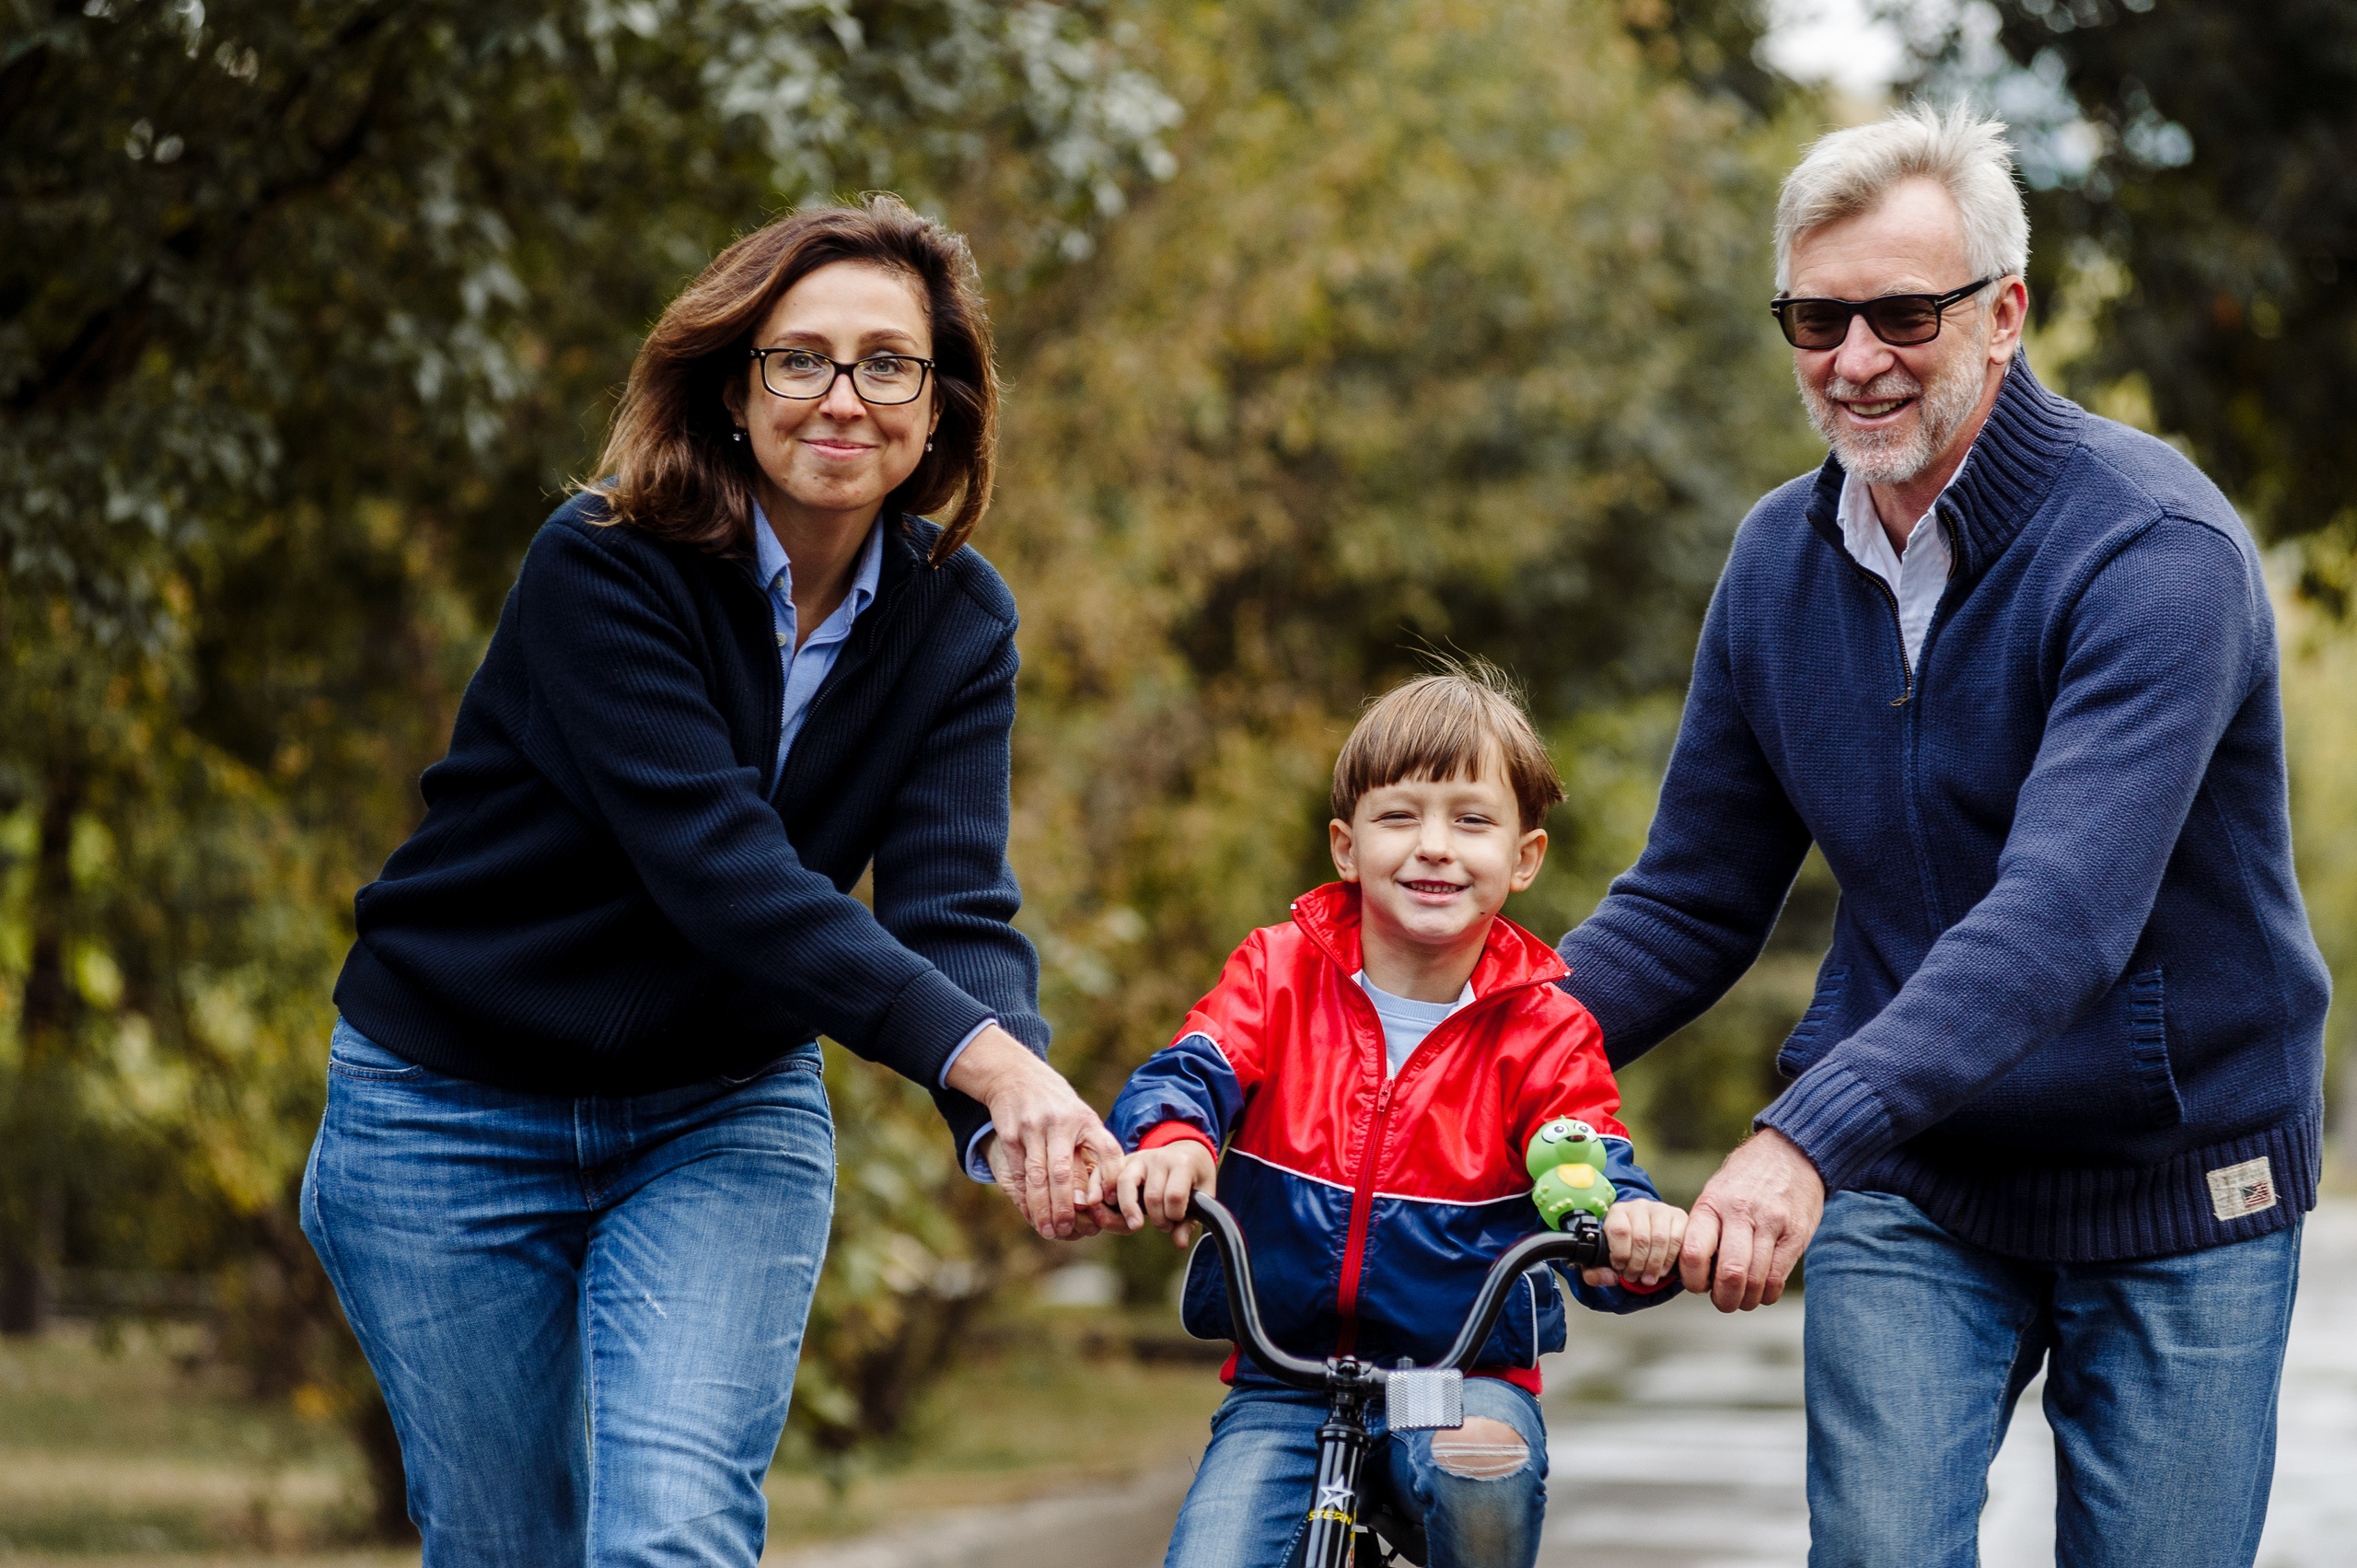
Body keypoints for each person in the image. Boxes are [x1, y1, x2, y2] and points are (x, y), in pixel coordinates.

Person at [1556, 104, 2330, 1567]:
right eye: (1815, 316)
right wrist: (1452, 1046)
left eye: (1905, 313)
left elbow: (2063, 916)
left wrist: (1800, 1135)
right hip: (1919, 1174)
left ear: (2006, 312)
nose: (1854, 360)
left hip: (2178, 1170)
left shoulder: (2154, 554)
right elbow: (1686, 902)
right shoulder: (1781, 560)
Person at [299, 195, 1121, 1567]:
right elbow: (723, 874)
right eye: (797, 358)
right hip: (442, 1106)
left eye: (887, 363)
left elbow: (952, 909)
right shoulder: (605, 565)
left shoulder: (957, 619)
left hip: (717, 1117)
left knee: (674, 1533)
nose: (841, 397)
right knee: (512, 1547)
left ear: (942, 407)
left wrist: (1022, 1108)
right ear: (736, 389)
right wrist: (992, 1065)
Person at [1098, 665, 1689, 1568]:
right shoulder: (1277, 971)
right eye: (1400, 814)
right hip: (1284, 1375)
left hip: (1463, 1378)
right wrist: (1173, 1140)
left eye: (1471, 819)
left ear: (1524, 857)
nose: (1435, 846)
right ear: (1346, 845)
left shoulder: (1544, 1028)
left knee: (1481, 1470)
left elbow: (1585, 1156)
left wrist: (1625, 1226)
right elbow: (1191, 1066)